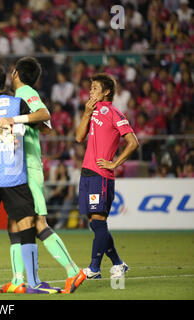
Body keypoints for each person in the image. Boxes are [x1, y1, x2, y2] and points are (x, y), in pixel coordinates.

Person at [0, 62, 60, 295]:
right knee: (26, 226)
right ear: (4, 81)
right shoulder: (16, 102)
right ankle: (34, 283)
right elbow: (44, 118)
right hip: (14, 176)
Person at [0, 57, 85, 294]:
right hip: (20, 166)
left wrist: (14, 120)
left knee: (37, 222)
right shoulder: (19, 97)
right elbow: (43, 125)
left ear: (15, 73)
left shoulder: (25, 91)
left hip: (28, 166)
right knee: (14, 223)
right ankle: (17, 280)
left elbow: (44, 114)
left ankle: (73, 270)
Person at [75, 73, 139, 280]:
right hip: (87, 172)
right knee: (95, 223)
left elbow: (133, 142)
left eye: (95, 88)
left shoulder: (115, 113)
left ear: (107, 91)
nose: (90, 91)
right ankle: (119, 264)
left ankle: (94, 268)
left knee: (99, 221)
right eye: (90, 87)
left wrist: (114, 164)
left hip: (101, 175)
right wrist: (86, 113)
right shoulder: (92, 111)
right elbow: (78, 138)